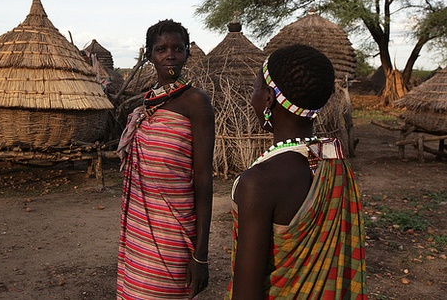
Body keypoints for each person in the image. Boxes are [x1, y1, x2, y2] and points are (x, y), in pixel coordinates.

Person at [226, 45, 367, 299]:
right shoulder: (334, 163)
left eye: (256, 89)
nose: (253, 97)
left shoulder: (258, 182)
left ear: (269, 97)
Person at [116, 19, 215, 299]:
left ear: (187, 54)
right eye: (161, 49)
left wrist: (201, 255)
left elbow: (204, 179)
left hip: (174, 232)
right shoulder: (148, 103)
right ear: (149, 56)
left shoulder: (196, 102)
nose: (170, 54)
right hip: (139, 229)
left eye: (177, 48)